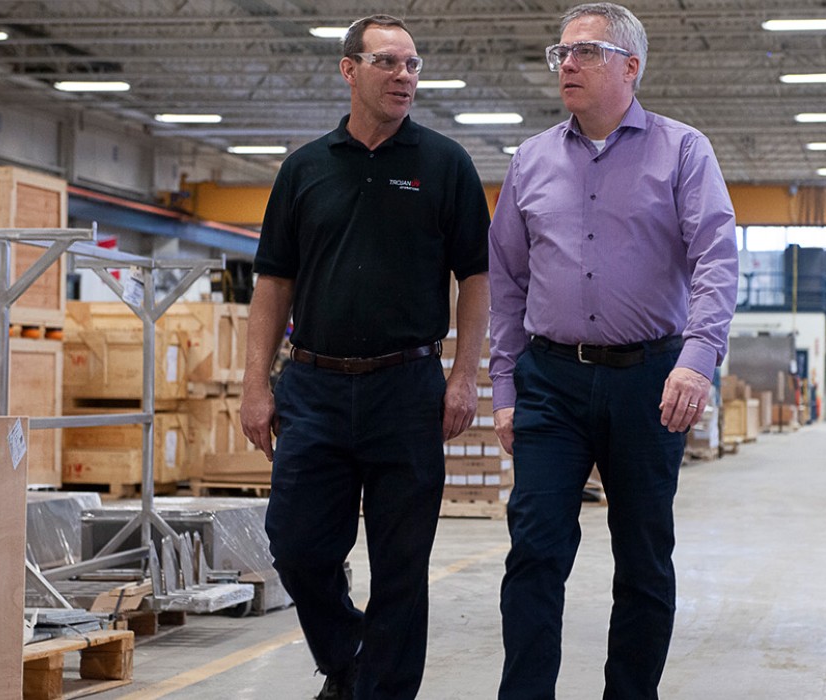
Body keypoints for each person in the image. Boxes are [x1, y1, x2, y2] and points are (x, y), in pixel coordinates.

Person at [487, 3, 739, 698]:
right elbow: (507, 278)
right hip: (550, 383)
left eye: (586, 52)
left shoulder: (683, 151)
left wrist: (697, 357)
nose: (566, 63)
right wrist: (504, 390)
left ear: (631, 66)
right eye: (561, 53)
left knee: (644, 557)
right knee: (535, 551)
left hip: (650, 380)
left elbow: (717, 258)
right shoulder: (532, 160)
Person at [241, 14, 490, 700]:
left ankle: (380, 692)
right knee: (296, 545)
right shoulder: (304, 169)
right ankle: (349, 656)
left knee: (403, 566)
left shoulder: (445, 165)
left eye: (413, 64)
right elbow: (273, 283)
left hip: (407, 387)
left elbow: (477, 277)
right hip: (314, 387)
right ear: (349, 70)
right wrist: (254, 385)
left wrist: (465, 376)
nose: (405, 76)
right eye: (388, 63)